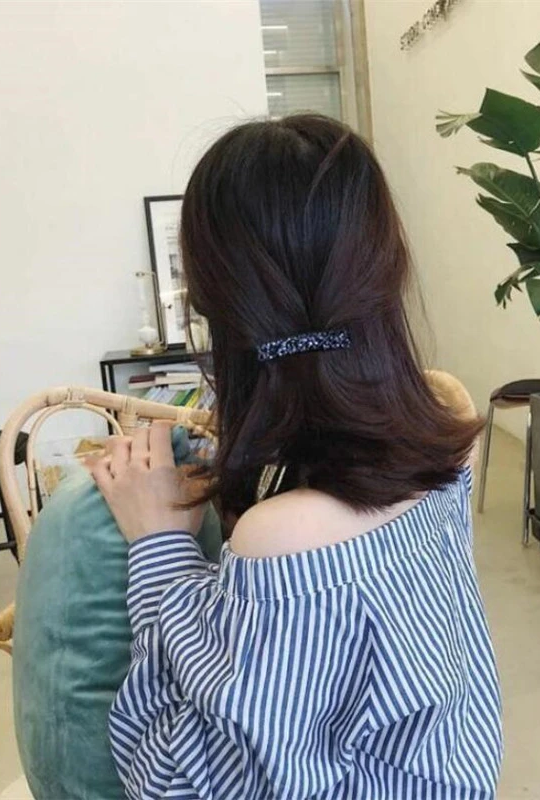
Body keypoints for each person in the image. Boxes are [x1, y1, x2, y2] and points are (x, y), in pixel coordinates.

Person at [88, 114, 503, 799]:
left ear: (214, 306)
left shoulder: (286, 537)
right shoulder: (445, 447)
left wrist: (159, 545)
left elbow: (173, 786)